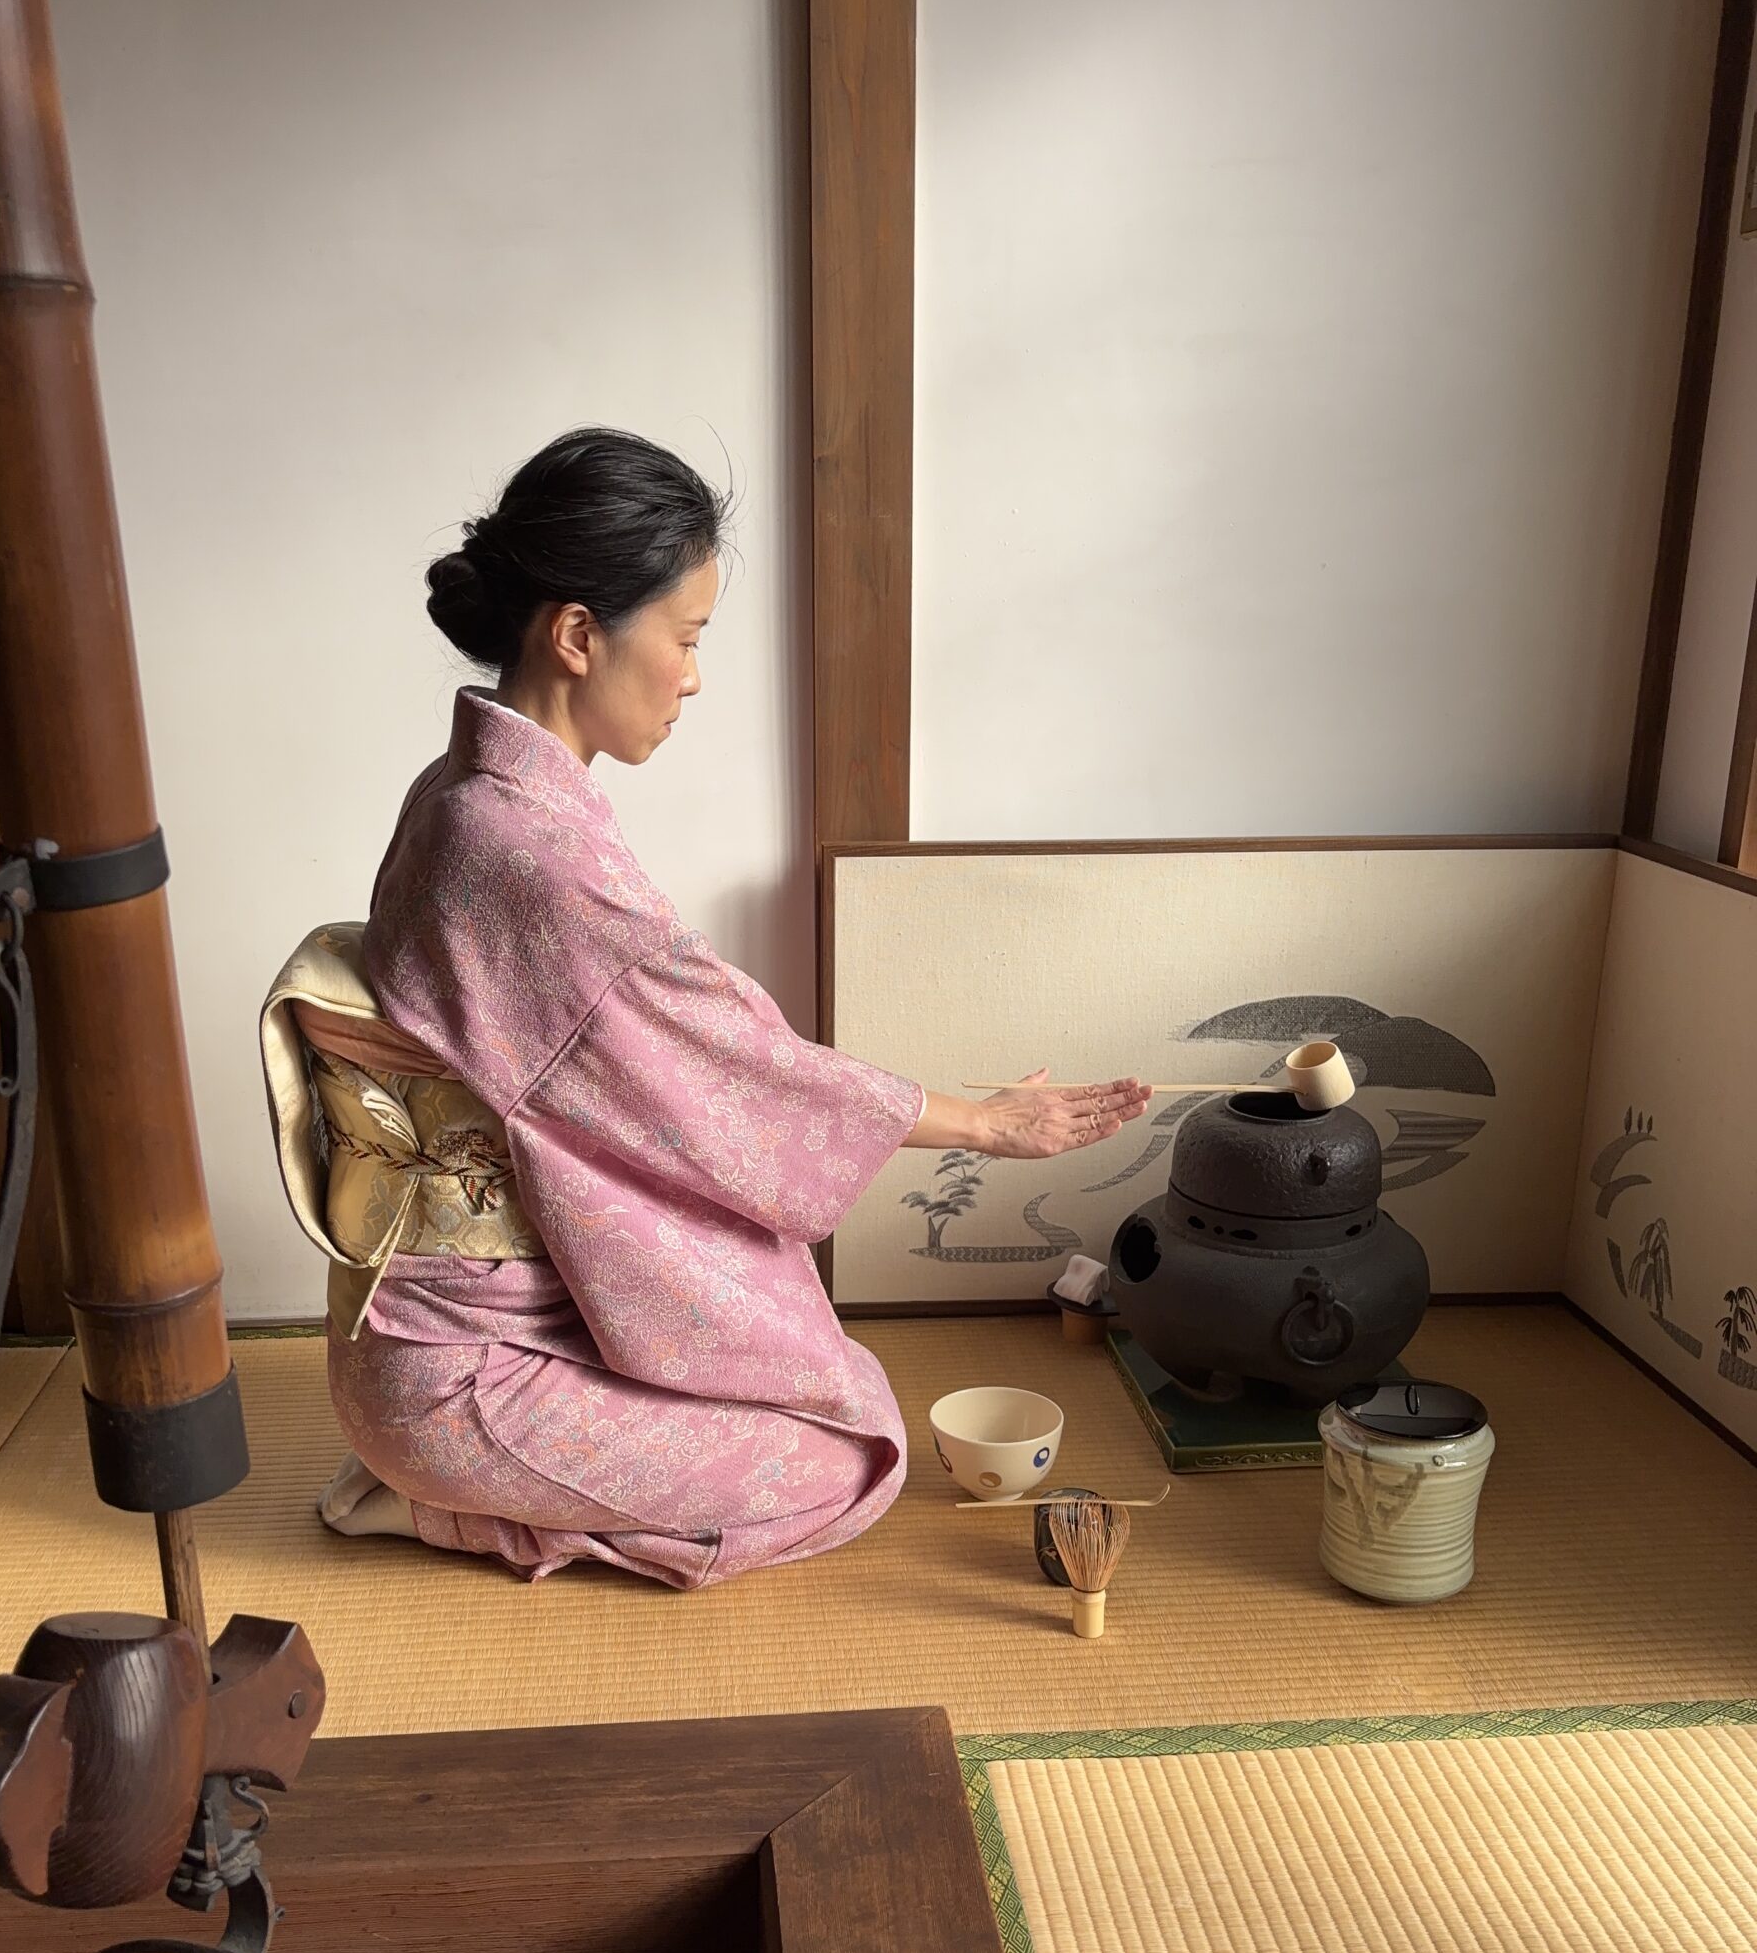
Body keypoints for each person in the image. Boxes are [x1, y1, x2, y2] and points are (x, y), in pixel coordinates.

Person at [296, 427, 1150, 1587]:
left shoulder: (465, 798)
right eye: (686, 639)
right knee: (847, 1461)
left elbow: (674, 1056)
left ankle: (445, 1479)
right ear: (580, 634)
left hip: (450, 1335)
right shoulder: (525, 850)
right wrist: (985, 1125)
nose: (694, 677)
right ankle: (441, 1509)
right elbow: (730, 1067)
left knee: (835, 1391)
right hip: (462, 1375)